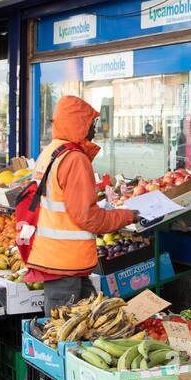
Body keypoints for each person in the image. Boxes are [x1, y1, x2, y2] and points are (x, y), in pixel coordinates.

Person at [25, 95, 138, 310]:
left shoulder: (50, 152)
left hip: (54, 256)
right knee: (63, 326)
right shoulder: (75, 159)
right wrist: (127, 216)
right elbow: (88, 217)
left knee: (88, 312)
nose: (95, 130)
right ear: (79, 125)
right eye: (91, 124)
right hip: (64, 260)